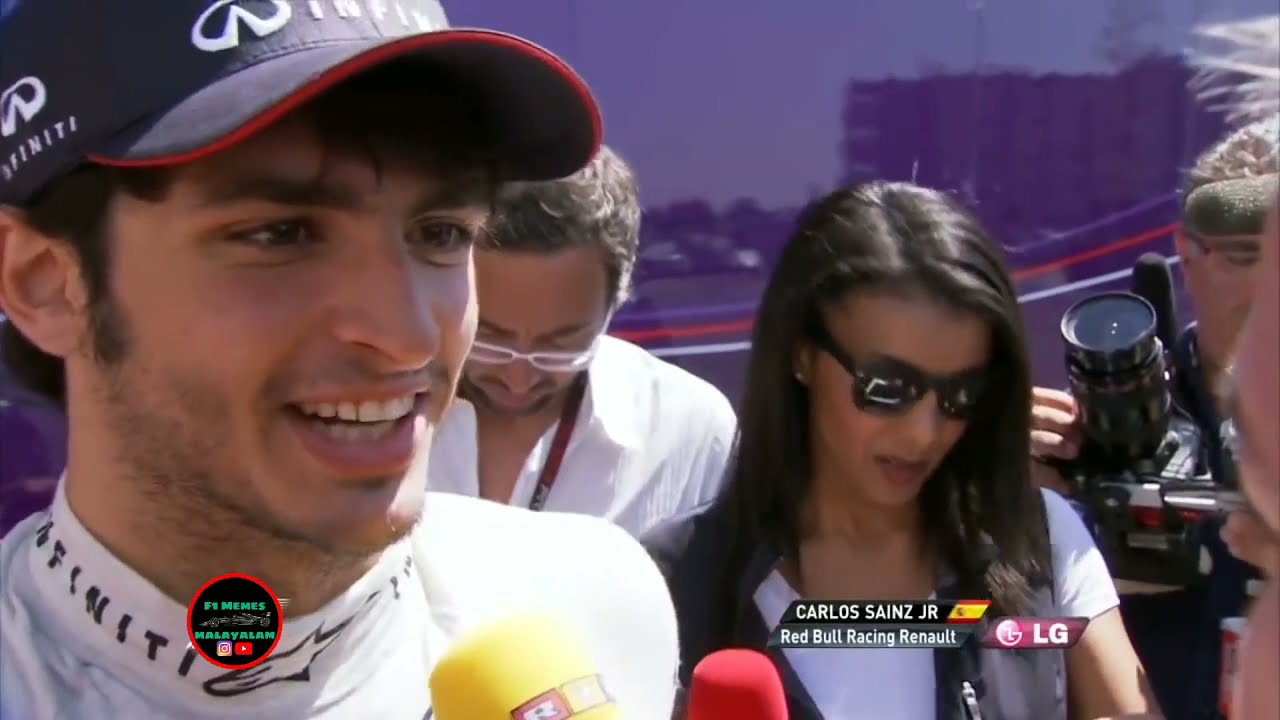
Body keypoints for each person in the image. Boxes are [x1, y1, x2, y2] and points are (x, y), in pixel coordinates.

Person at [0, 2, 678, 718]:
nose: (410, 337)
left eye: (441, 232)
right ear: (44, 282)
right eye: (280, 233)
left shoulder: (596, 603)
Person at [644, 182, 1156, 719]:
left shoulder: (1038, 543)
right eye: (887, 389)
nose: (924, 433)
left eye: (963, 395)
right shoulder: (676, 581)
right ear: (802, 355)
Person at [1030, 120, 1278, 719]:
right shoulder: (1098, 433)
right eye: (1247, 255)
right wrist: (1013, 516)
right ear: (1187, 255)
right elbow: (884, 629)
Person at [428, 146, 735, 536]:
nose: (518, 380)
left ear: (619, 298)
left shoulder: (691, 428)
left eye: (561, 345)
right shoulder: (370, 406)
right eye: (488, 338)